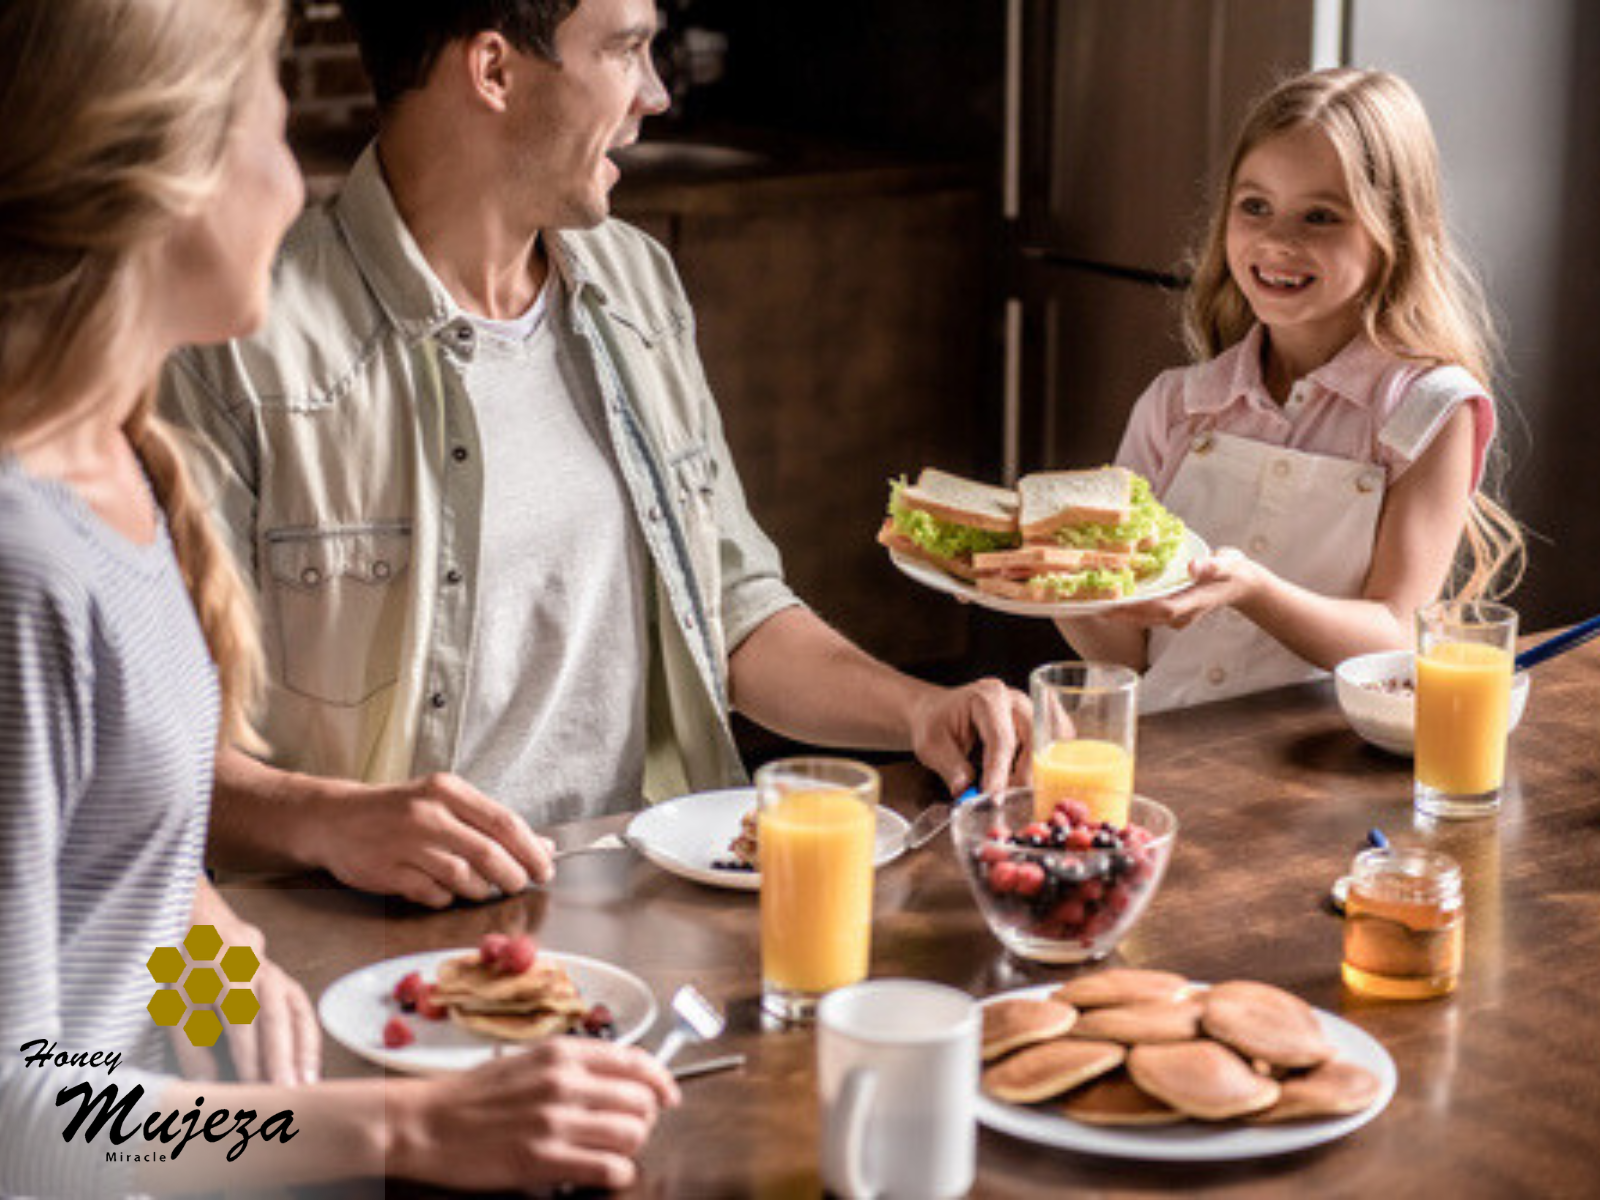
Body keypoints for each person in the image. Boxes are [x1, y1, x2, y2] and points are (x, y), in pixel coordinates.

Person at [0, 0, 675, 1193]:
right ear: (164, 171)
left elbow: (118, 896)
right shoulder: (23, 570)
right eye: (270, 123)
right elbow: (17, 1116)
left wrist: (219, 962)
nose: (299, 179)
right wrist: (406, 1132)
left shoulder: (116, 465)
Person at [160, 0, 1030, 908]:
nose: (653, 94)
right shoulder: (237, 343)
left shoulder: (636, 284)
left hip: (659, 915)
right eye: (625, 50)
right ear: (494, 70)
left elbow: (728, 608)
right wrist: (331, 820)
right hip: (374, 959)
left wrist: (920, 711)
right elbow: (143, 762)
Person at [1057, 68, 1523, 712]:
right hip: (1162, 758)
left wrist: (1252, 588)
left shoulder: (1431, 410)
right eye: (1256, 207)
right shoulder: (1176, 405)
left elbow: (1394, 637)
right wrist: (1051, 580)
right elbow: (1127, 653)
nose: (1279, 240)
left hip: (1317, 780)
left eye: (1320, 216)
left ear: (1394, 234)